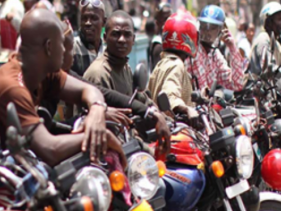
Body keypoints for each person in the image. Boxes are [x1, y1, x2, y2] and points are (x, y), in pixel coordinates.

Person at [0, 9, 128, 166]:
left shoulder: (44, 73)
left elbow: (88, 90)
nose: (66, 51)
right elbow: (49, 149)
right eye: (62, 44)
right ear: (49, 47)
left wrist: (96, 109)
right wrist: (101, 137)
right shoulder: (11, 86)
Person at [83, 11, 170, 154]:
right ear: (105, 37)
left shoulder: (124, 66)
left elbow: (138, 97)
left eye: (127, 35)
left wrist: (162, 116)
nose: (122, 40)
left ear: (133, 39)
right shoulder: (98, 74)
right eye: (116, 34)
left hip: (130, 141)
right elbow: (108, 128)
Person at [189, 5, 247, 92]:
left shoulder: (215, 55)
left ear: (221, 30)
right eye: (204, 26)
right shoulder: (192, 51)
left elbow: (237, 84)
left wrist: (232, 48)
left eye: (212, 28)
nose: (207, 31)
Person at [148, 12, 197, 113]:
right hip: (176, 125)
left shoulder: (161, 64)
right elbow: (169, 94)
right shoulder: (176, 65)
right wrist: (187, 110)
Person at [71, 0, 106, 77]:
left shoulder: (106, 52)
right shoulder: (71, 49)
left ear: (104, 22)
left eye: (94, 18)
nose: (88, 23)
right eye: (84, 18)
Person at [149, 3, 172, 71]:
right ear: (157, 23)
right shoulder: (158, 45)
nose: (168, 22)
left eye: (169, 18)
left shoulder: (171, 40)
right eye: (165, 19)